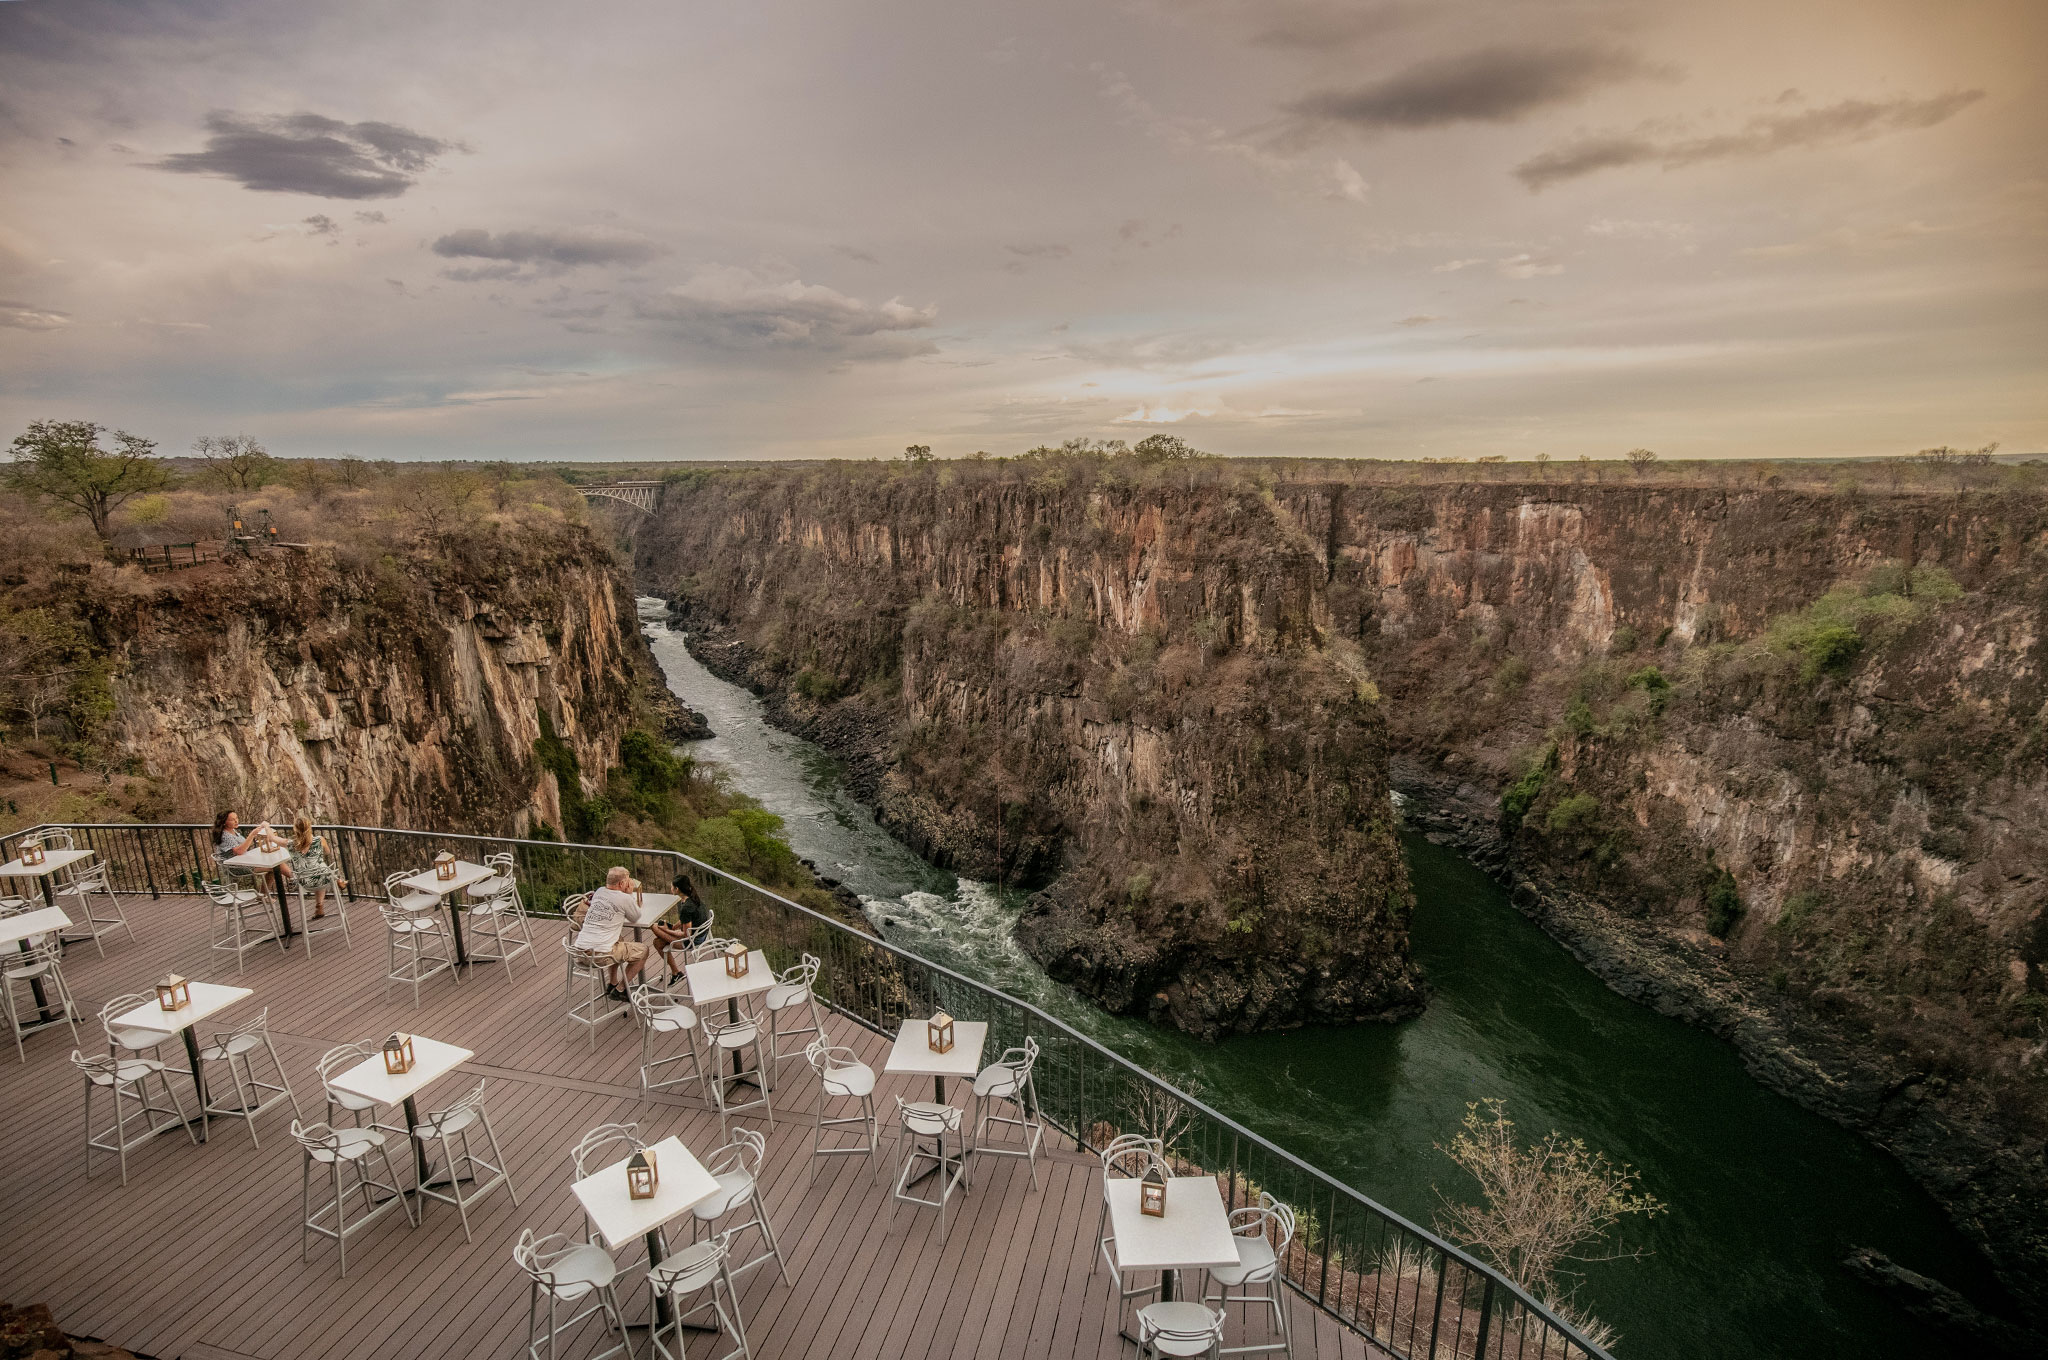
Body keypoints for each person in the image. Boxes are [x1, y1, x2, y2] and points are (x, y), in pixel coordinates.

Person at [572, 865, 650, 998]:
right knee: (643, 950)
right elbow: (636, 917)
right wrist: (629, 894)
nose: (629, 881)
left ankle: (612, 983)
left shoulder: (599, 891)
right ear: (621, 883)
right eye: (628, 879)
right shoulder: (624, 898)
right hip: (599, 956)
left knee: (618, 939)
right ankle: (620, 990)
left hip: (580, 952)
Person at [286, 815, 345, 920]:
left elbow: (274, 838)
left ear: (295, 829)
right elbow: (328, 852)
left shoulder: (290, 844)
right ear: (310, 828)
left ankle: (319, 907)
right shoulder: (319, 840)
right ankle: (338, 880)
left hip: (304, 882)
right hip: (323, 879)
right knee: (322, 870)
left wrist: (266, 829)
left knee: (318, 872)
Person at [650, 874, 710, 975]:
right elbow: (686, 920)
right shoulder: (693, 897)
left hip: (692, 941)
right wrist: (673, 927)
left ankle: (676, 973)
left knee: (653, 926)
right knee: (658, 942)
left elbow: (686, 935)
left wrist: (666, 930)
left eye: (672, 887)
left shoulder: (686, 907)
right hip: (702, 934)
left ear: (677, 889)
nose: (671, 888)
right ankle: (675, 973)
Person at [213, 810, 281, 893]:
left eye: (236, 818)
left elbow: (244, 846)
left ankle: (263, 894)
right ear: (224, 822)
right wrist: (251, 835)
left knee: (275, 864)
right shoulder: (225, 835)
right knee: (275, 867)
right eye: (232, 820)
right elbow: (240, 851)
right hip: (235, 867)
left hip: (244, 862)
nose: (236, 821)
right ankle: (263, 895)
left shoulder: (233, 831)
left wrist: (256, 836)